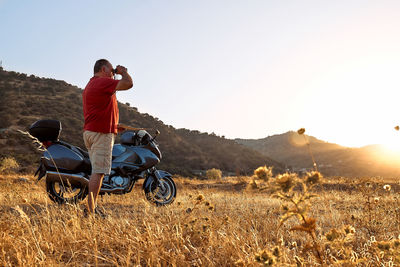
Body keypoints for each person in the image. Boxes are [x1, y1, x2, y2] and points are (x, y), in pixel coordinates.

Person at [82, 59, 133, 215]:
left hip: (92, 131)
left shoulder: (91, 85)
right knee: (99, 172)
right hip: (100, 134)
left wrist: (114, 125)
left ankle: (92, 207)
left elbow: (98, 110)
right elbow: (128, 84)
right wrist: (122, 71)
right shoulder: (102, 81)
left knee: (97, 171)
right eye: (112, 70)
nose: (113, 74)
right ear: (103, 69)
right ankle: (91, 210)